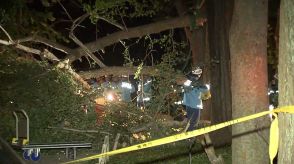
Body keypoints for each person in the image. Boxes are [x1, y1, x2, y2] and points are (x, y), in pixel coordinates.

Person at [182, 66, 211, 132]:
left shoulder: (187, 82)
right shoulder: (200, 85)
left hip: (188, 105)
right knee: (194, 123)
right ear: (198, 75)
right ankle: (190, 138)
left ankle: (187, 136)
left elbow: (186, 88)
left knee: (190, 121)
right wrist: (208, 87)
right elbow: (206, 95)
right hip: (195, 106)